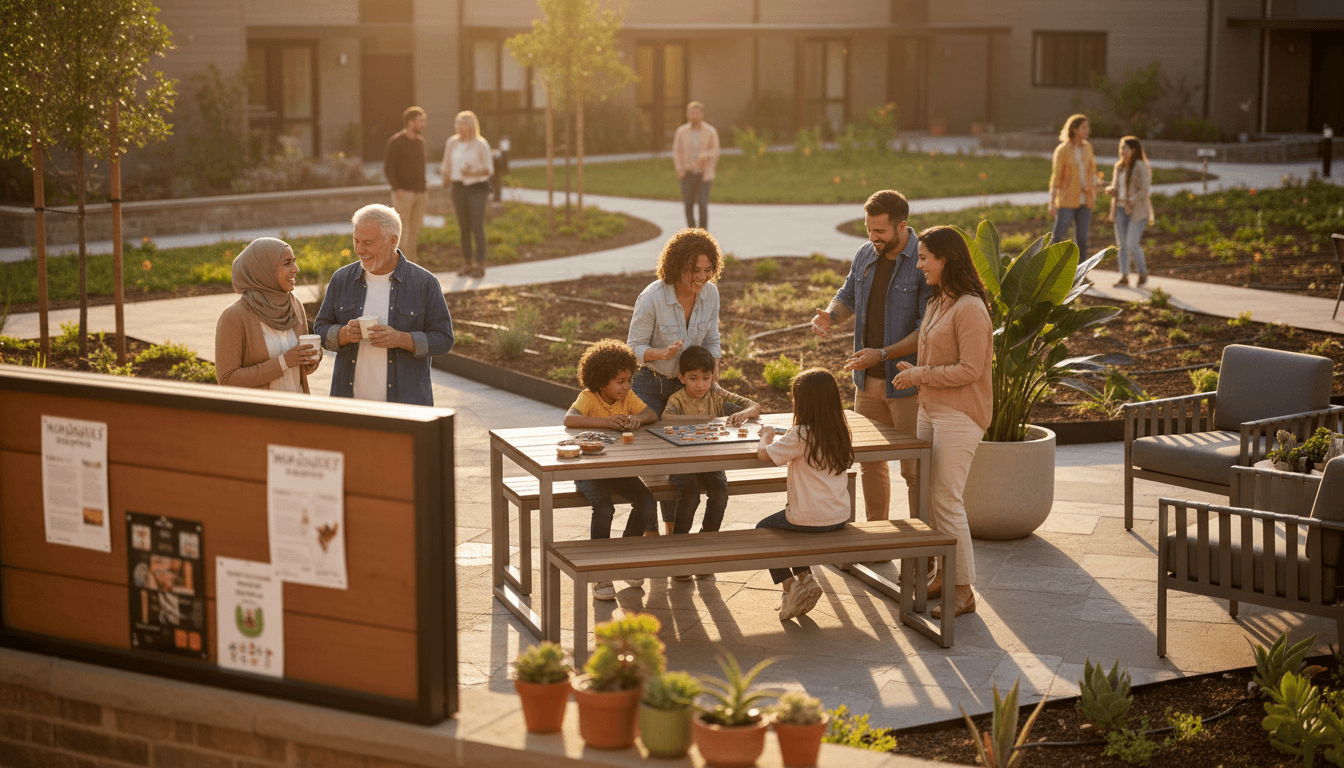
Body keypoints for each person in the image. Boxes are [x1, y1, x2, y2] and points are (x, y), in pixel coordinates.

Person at [892, 226, 993, 619]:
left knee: (947, 500)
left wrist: (921, 375)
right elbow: (936, 359)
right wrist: (917, 371)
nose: (919, 266)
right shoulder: (939, 301)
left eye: (923, 258)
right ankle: (941, 574)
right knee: (930, 498)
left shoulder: (970, 307)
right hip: (930, 409)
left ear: (944, 259)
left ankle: (964, 590)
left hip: (960, 415)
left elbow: (969, 370)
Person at [811, 189, 930, 523]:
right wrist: (830, 316)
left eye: (880, 231)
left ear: (901, 226)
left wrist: (879, 355)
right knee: (871, 465)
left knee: (914, 470)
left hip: (907, 385)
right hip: (866, 383)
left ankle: (922, 544)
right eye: (869, 230)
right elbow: (846, 294)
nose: (873, 237)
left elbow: (925, 332)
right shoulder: (865, 254)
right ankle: (878, 538)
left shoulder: (923, 263)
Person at [628, 228, 724, 532]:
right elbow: (632, 348)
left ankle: (672, 536)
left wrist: (713, 381)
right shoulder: (653, 297)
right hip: (650, 384)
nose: (702, 277)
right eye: (695, 270)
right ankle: (651, 533)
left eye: (708, 270)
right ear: (677, 265)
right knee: (656, 465)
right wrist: (661, 353)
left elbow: (712, 339)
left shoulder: (710, 294)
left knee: (678, 462)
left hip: (684, 385)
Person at [313, 204, 455, 406]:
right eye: (356, 241)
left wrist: (401, 339)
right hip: (349, 406)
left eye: (368, 243)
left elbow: (444, 339)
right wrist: (342, 334)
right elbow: (320, 328)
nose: (360, 250)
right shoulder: (341, 279)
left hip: (406, 407)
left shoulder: (424, 282)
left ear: (393, 241)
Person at [754, 368, 855, 621]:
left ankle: (790, 587)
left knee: (763, 531)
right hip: (839, 516)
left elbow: (764, 455)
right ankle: (806, 578)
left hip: (810, 518)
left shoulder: (801, 434)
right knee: (792, 530)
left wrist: (766, 436)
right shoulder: (839, 431)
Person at [563, 339, 660, 601]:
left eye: (629, 380)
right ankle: (600, 572)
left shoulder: (627, 397)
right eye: (620, 381)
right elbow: (569, 419)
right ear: (602, 379)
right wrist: (605, 422)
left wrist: (638, 419)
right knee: (605, 507)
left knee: (646, 499)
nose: (626, 386)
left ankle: (624, 558)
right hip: (588, 470)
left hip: (616, 469)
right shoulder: (588, 398)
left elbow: (651, 414)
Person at [661, 345, 761, 552]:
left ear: (712, 377)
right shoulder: (677, 399)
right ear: (682, 378)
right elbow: (665, 418)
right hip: (682, 463)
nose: (700, 384)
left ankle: (707, 541)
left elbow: (754, 406)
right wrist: (695, 419)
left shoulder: (716, 390)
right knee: (690, 495)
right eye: (693, 378)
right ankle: (679, 544)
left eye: (706, 378)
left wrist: (745, 414)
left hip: (711, 461)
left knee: (720, 493)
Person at [215, 237, 321, 392]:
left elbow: (298, 370)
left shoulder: (294, 305)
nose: (296, 269)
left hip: (296, 409)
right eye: (287, 263)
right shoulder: (234, 316)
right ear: (264, 269)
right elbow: (227, 379)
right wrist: (284, 362)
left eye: (294, 261)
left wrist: (309, 361)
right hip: (260, 413)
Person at [440, 110, 494, 278]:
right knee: (463, 226)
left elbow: (489, 169)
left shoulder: (480, 144)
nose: (459, 128)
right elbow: (446, 163)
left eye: (462, 125)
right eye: (457, 125)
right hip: (458, 188)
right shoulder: (452, 143)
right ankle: (467, 262)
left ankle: (480, 263)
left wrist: (473, 173)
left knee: (476, 225)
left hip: (477, 187)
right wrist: (445, 177)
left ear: (471, 126)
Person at [1105, 136, 1154, 287]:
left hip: (1137, 211)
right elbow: (1117, 186)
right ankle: (1124, 276)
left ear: (1133, 150)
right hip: (1120, 209)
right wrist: (1111, 189)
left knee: (1132, 243)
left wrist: (1129, 200)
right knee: (1122, 245)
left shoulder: (1140, 166)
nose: (1122, 151)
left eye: (1125, 148)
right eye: (1121, 148)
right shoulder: (1119, 167)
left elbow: (1144, 191)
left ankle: (1142, 273)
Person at [1048, 113, 1099, 258]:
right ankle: (1050, 269)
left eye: (1087, 127)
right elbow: (1056, 178)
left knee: (1082, 239)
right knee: (1058, 236)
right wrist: (1052, 202)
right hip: (1067, 200)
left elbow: (1092, 171)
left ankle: (1080, 272)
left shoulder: (1088, 147)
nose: (1088, 130)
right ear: (1075, 129)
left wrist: (1096, 184)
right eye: (1084, 127)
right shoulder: (1062, 150)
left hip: (1086, 199)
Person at [385, 106, 428, 262]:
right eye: (420, 121)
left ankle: (412, 264)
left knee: (415, 231)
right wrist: (397, 188)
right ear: (410, 122)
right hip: (404, 193)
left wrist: (423, 190)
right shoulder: (396, 142)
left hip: (420, 194)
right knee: (402, 230)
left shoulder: (420, 142)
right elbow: (388, 168)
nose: (423, 124)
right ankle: (399, 265)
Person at [672, 101, 720, 230]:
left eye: (697, 113)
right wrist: (680, 169)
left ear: (702, 115)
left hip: (703, 174)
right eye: (692, 113)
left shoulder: (710, 131)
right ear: (688, 114)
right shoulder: (681, 132)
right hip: (686, 173)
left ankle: (703, 233)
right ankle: (691, 231)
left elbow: (715, 152)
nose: (694, 116)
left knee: (703, 204)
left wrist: (705, 157)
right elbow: (676, 152)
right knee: (688, 204)